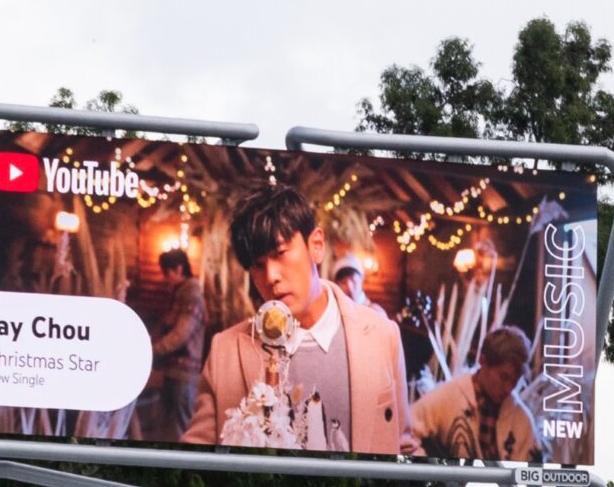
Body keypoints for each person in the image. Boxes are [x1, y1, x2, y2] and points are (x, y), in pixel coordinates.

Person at [184, 184, 418, 456]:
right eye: (257, 266)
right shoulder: (226, 350)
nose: (270, 276)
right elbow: (197, 458)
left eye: (279, 253)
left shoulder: (381, 335)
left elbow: (403, 446)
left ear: (316, 246)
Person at [410, 326, 542, 464]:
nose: (509, 388)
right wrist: (432, 471)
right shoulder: (448, 396)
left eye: (515, 380)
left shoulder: (521, 418)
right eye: (504, 377)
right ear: (483, 361)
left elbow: (534, 469)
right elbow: (405, 432)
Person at [128, 248, 206, 443]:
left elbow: (180, 335)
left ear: (179, 269)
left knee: (181, 428)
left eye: (167, 272)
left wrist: (151, 351)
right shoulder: (179, 296)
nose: (165, 278)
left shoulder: (191, 297)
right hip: (172, 373)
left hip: (184, 375)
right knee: (168, 428)